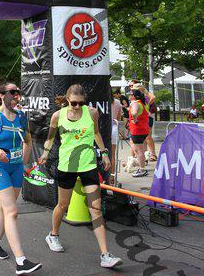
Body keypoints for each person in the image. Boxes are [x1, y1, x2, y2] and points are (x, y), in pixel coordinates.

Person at [41, 84, 123, 269]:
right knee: (63, 205)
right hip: (67, 167)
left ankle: (105, 255)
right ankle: (53, 235)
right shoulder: (58, 116)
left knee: (96, 209)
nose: (77, 106)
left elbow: (96, 133)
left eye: (81, 103)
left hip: (88, 166)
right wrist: (45, 153)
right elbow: (51, 138)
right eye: (74, 103)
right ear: (67, 100)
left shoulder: (92, 113)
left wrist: (104, 153)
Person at [0, 82, 42, 274]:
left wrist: (24, 162)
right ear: (1, 95)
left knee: (4, 208)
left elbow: (27, 141)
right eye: (12, 92)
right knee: (12, 211)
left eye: (18, 92)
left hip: (16, 168)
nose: (16, 95)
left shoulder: (21, 116)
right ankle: (21, 261)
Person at [128, 89, 149, 177]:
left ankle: (142, 169)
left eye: (130, 95)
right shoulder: (142, 103)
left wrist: (135, 120)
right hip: (143, 129)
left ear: (134, 96)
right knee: (140, 149)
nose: (129, 96)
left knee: (138, 150)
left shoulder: (135, 103)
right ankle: (141, 165)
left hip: (138, 130)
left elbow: (134, 113)